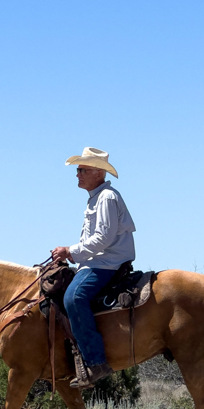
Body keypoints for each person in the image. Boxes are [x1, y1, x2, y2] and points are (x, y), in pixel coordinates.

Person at [52, 147, 136, 389]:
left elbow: (104, 238)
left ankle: (96, 362)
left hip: (106, 263)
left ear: (98, 173)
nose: (77, 174)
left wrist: (70, 251)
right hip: (96, 261)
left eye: (82, 170)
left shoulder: (107, 197)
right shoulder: (97, 197)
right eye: (77, 170)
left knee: (74, 297)